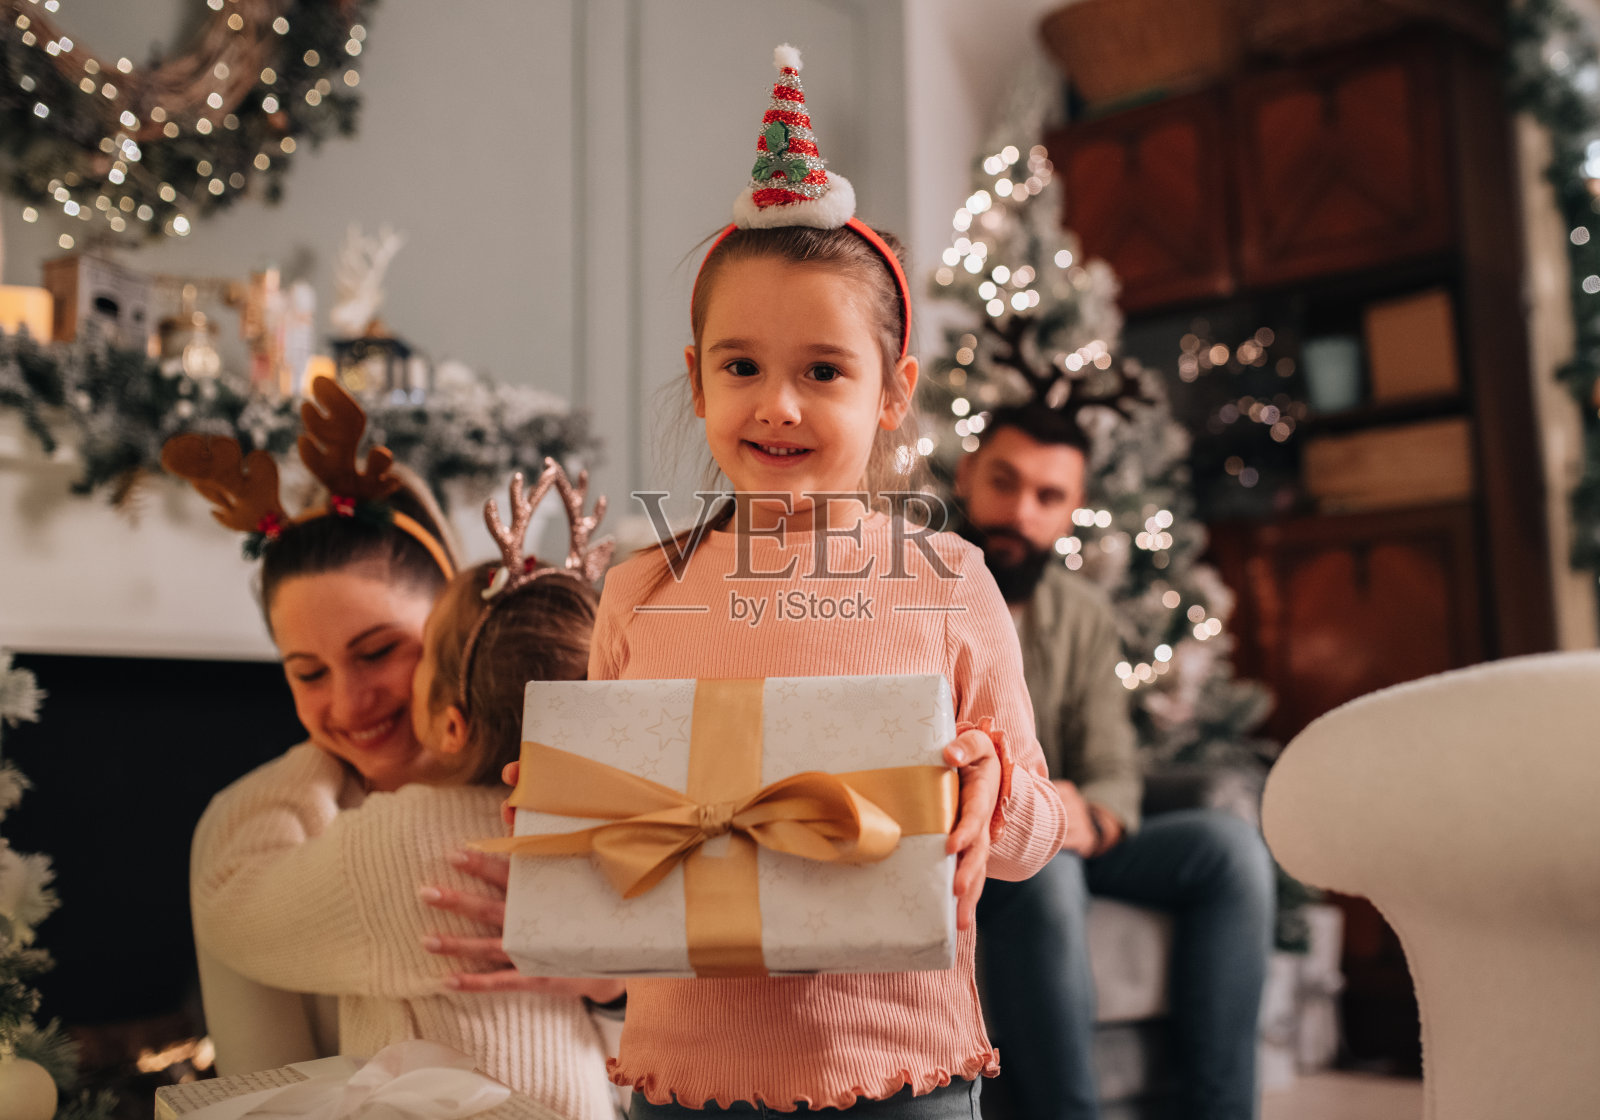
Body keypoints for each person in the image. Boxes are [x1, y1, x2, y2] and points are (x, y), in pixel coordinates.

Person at [581, 46, 1064, 1119]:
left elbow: (1035, 831)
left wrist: (992, 789)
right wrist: (568, 842)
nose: (778, 405)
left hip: (901, 1071)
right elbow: (611, 890)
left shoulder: (947, 578)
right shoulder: (641, 592)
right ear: (698, 377)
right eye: (741, 365)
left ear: (892, 393)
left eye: (823, 371)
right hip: (684, 1079)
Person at [187, 466, 619, 1119]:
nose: (348, 702)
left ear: (454, 620)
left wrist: (612, 983)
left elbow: (671, 1043)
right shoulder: (265, 824)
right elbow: (262, 1081)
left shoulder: (398, 845)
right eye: (308, 673)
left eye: (379, 651)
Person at [955, 405, 1276, 1120]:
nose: (1020, 511)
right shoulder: (915, 586)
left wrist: (1086, 818)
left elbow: (1111, 768)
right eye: (1003, 483)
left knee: (1229, 850)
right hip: (970, 844)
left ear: (1072, 511)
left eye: (1048, 497)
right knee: (1047, 865)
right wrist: (1031, 820)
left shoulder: (1083, 613)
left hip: (1067, 829)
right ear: (969, 474)